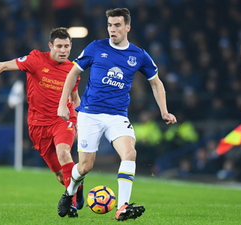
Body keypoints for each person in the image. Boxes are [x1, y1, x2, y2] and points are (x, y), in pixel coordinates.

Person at [57, 8, 177, 221]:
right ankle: (69, 192)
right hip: (90, 114)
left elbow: (156, 83)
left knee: (130, 153)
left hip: (117, 115)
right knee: (85, 166)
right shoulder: (96, 47)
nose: (112, 29)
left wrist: (164, 111)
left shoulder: (138, 55)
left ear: (127, 27)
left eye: (117, 25)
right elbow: (73, 72)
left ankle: (122, 207)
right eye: (110, 25)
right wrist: (63, 103)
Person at [0, 27, 83, 217]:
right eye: (59, 46)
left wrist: (80, 118)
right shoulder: (35, 60)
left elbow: (75, 98)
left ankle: (72, 203)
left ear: (71, 46)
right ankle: (77, 184)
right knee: (60, 175)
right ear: (50, 46)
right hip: (38, 125)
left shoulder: (73, 69)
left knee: (64, 152)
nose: (63, 51)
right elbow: (2, 65)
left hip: (62, 121)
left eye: (66, 46)